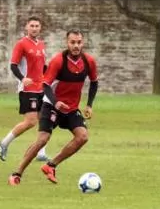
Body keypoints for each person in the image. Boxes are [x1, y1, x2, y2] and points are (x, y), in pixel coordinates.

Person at [9, 30, 98, 186]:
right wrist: (56, 102)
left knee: (82, 137)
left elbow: (94, 82)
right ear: (67, 43)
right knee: (42, 140)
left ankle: (51, 165)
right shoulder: (59, 61)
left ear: (82, 43)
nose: (76, 46)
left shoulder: (89, 61)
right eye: (73, 42)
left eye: (79, 42)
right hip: (51, 105)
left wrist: (89, 105)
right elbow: (46, 85)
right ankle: (16, 174)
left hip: (70, 109)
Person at [0, 17, 50, 163]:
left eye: (37, 26)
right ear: (26, 27)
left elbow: (42, 67)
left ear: (40, 28)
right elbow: (13, 65)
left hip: (41, 88)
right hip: (28, 89)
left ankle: (40, 152)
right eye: (31, 25)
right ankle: (3, 143)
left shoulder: (41, 44)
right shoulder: (21, 44)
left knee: (43, 119)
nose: (34, 28)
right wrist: (22, 79)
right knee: (30, 121)